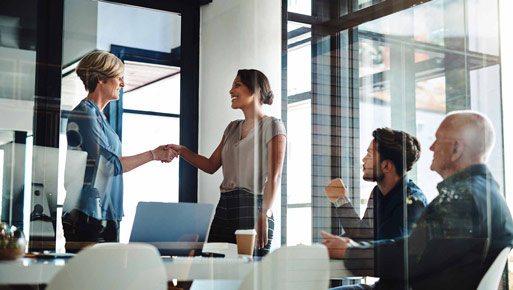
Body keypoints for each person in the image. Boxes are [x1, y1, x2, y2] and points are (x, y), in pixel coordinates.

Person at [321, 111, 513, 290]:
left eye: (437, 140)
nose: (431, 147)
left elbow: (412, 256)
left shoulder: (465, 198)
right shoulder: (481, 194)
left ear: (456, 148)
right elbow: (419, 249)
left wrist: (350, 252)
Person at [62, 51, 178, 253]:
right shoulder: (85, 113)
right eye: (119, 78)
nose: (122, 84)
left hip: (105, 213)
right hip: (88, 215)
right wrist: (153, 155)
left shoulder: (99, 116)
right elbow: (107, 165)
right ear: (101, 79)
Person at [169, 69, 286, 256]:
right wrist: (183, 151)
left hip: (254, 207)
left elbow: (275, 175)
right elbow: (211, 165)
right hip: (224, 206)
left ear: (255, 89)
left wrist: (264, 212)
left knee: (250, 275)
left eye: (237, 85)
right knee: (214, 270)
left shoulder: (273, 125)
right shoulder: (232, 128)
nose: (231, 91)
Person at [325, 128, 427, 242]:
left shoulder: (412, 202)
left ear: (386, 166)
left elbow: (381, 248)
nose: (363, 160)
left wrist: (341, 200)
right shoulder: (378, 192)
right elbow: (363, 233)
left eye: (369, 155)